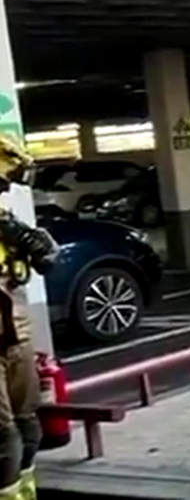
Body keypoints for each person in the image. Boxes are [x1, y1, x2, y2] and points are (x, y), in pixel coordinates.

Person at [0, 134, 57, 500]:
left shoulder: (6, 223)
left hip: (15, 334)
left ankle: (26, 493)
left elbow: (47, 258)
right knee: (3, 435)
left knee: (28, 424)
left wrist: (35, 243)